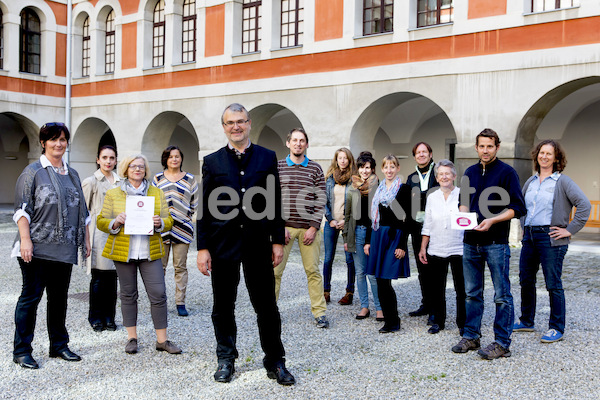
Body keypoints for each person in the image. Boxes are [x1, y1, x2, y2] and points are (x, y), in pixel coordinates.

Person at [196, 103, 295, 386]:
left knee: (266, 306)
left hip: (257, 243)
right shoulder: (213, 161)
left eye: (240, 121)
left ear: (249, 123)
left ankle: (275, 361)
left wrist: (277, 240)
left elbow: (274, 202)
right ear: (224, 127)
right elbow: (204, 207)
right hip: (223, 244)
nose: (236, 127)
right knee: (223, 306)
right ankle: (226, 358)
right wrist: (202, 247)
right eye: (230, 123)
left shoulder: (266, 157)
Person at [12, 122, 90, 369]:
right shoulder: (33, 172)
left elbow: (83, 211)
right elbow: (22, 210)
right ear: (43, 143)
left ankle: (58, 345)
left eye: (63, 139)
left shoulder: (73, 174)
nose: (59, 144)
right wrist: (25, 240)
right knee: (31, 298)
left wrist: (86, 239)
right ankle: (22, 350)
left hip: (64, 248)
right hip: (35, 247)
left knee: (58, 299)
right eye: (53, 139)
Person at [452, 129, 526, 360]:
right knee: (472, 293)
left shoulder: (507, 173)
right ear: (476, 148)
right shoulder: (470, 172)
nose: (485, 150)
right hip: (470, 242)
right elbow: (463, 203)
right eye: (481, 146)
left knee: (502, 294)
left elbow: (518, 207)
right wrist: (465, 219)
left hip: (496, 243)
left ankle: (502, 343)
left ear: (497, 147)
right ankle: (471, 335)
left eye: (490, 146)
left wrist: (492, 220)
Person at [97, 154, 181, 356]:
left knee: (158, 294)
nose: (138, 170)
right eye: (134, 166)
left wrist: (160, 222)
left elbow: (168, 220)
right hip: (124, 251)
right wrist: (115, 221)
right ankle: (131, 338)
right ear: (126, 169)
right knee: (128, 295)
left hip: (150, 251)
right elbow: (101, 220)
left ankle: (162, 340)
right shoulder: (114, 193)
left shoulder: (156, 193)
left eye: (141, 167)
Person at [514, 140, 591, 343]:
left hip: (551, 237)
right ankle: (526, 321)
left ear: (556, 158)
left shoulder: (562, 182)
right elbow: (522, 206)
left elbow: (584, 206)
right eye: (541, 152)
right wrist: (524, 226)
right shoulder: (530, 182)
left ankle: (556, 327)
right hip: (530, 237)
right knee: (526, 280)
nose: (544, 156)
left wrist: (569, 230)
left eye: (549, 153)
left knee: (553, 283)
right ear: (536, 155)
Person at [275, 128, 329, 328]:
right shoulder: (277, 166)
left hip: (308, 229)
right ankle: (269, 313)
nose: (298, 144)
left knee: (313, 272)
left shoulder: (315, 169)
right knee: (274, 272)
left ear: (306, 144)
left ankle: (320, 312)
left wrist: (314, 227)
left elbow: (320, 199)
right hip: (283, 229)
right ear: (287, 143)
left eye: (302, 141)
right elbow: (272, 199)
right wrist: (279, 227)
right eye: (295, 140)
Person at [364, 154, 411, 333]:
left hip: (394, 236)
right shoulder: (378, 189)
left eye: (393, 167)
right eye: (386, 167)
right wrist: (368, 242)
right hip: (378, 235)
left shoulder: (403, 189)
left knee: (385, 280)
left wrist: (402, 245)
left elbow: (406, 219)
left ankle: (394, 320)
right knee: (378, 279)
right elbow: (372, 217)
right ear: (382, 170)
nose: (389, 170)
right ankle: (389, 320)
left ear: (398, 168)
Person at [418, 159, 466, 335]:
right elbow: (428, 224)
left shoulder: (462, 194)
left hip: (458, 247)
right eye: (441, 174)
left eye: (447, 173)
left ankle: (463, 323)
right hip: (436, 248)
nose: (444, 177)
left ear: (454, 176)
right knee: (437, 288)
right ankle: (438, 321)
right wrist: (423, 247)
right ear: (437, 178)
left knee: (462, 289)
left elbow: (468, 220)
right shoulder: (432, 197)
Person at [153, 145, 199, 317]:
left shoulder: (190, 179)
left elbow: (194, 203)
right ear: (165, 159)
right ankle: (160, 301)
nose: (174, 159)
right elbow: (151, 200)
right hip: (161, 228)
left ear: (181, 158)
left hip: (183, 228)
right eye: (171, 156)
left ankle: (180, 302)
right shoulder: (157, 179)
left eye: (177, 156)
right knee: (160, 267)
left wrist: (185, 217)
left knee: (180, 267)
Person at [82, 145, 121, 332]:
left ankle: (109, 316)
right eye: (104, 157)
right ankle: (95, 317)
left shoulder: (121, 182)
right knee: (98, 278)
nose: (108, 161)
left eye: (112, 158)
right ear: (98, 159)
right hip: (98, 234)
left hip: (118, 234)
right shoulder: (91, 181)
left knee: (113, 278)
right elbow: (83, 212)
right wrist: (85, 240)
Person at [343, 151, 383, 321]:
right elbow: (347, 214)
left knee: (372, 274)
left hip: (372, 233)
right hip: (355, 232)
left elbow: (376, 214)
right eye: (362, 167)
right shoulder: (352, 187)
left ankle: (380, 308)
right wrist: (346, 238)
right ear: (357, 169)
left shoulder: (378, 187)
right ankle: (364, 306)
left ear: (373, 169)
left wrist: (369, 240)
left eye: (368, 168)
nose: (365, 171)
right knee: (360, 272)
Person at [406, 142, 439, 321]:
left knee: (434, 267)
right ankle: (426, 303)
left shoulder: (438, 173)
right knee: (422, 266)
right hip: (416, 228)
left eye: (424, 152)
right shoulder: (411, 178)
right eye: (418, 153)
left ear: (430, 154)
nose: (421, 155)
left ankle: (435, 307)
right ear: (414, 156)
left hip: (435, 228)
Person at [323, 148, 358, 305]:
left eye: (345, 158)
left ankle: (349, 292)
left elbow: (357, 204)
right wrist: (330, 219)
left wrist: (346, 220)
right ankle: (326, 291)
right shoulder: (329, 179)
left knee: (349, 259)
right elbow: (323, 201)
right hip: (331, 223)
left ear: (350, 160)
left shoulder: (354, 180)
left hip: (347, 223)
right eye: (340, 158)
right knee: (328, 258)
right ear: (336, 160)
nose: (343, 160)